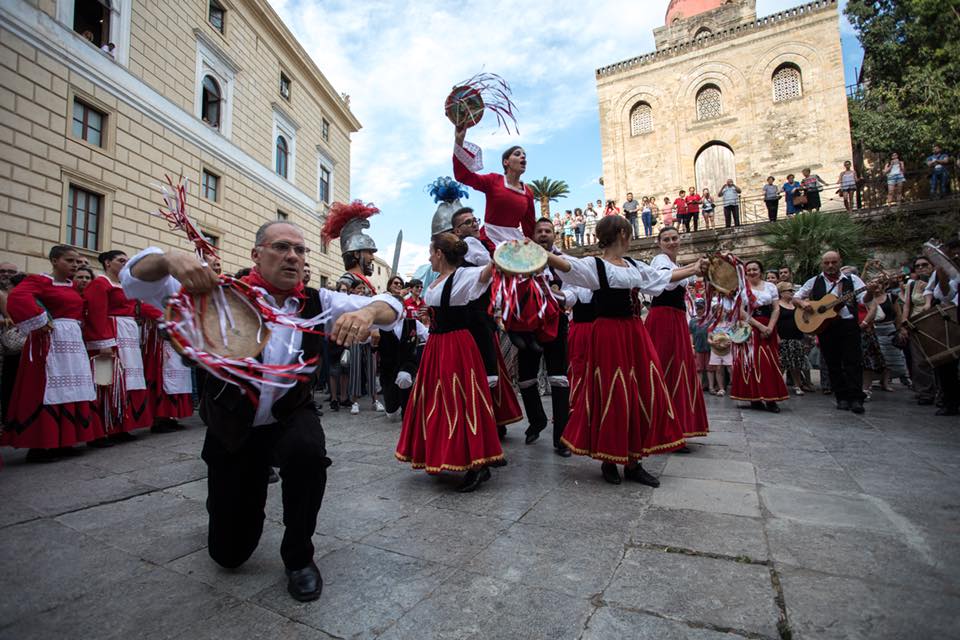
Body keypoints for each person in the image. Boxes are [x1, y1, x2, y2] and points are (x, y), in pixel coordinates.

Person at [123, 220, 401, 602]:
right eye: (281, 247)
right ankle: (228, 505)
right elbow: (134, 282)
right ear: (256, 254)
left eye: (300, 250)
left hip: (290, 413)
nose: (293, 257)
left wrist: (367, 313)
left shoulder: (319, 302)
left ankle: (299, 557)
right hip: (233, 423)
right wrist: (168, 259)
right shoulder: (219, 294)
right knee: (229, 554)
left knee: (308, 454)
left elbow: (394, 307)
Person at [545, 216, 706, 485]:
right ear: (622, 233)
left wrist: (694, 268)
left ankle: (634, 462)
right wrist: (540, 253)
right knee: (613, 391)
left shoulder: (632, 265)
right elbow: (567, 265)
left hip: (634, 334)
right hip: (608, 335)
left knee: (641, 390)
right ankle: (610, 459)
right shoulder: (595, 265)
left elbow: (663, 277)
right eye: (629, 233)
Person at [395, 233, 504, 491]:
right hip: (437, 345)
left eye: (430, 252)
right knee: (436, 400)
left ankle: (478, 465)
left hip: (456, 345)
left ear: (439, 254)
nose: (429, 258)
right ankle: (444, 454)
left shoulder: (462, 275)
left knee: (460, 400)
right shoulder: (437, 281)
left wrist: (502, 256)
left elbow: (485, 274)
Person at [1, 246, 103, 461]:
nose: (75, 265)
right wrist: (40, 320)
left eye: (78, 262)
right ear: (55, 260)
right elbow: (18, 296)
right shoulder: (40, 281)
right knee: (45, 388)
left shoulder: (73, 285)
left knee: (72, 388)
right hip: (49, 341)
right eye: (70, 260)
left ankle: (64, 440)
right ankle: (39, 445)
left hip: (72, 342)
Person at [445, 203, 524, 435]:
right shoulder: (471, 244)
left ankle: (488, 422)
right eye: (468, 222)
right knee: (487, 369)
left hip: (478, 317)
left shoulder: (469, 248)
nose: (474, 224)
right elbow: (489, 267)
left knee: (483, 369)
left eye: (475, 220)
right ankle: (488, 423)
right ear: (457, 231)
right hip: (476, 319)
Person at [516, 218, 575, 456]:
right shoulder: (521, 259)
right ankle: (537, 420)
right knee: (525, 378)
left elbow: (575, 292)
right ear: (533, 235)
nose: (543, 234)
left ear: (554, 235)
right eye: (539, 231)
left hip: (556, 322)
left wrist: (556, 295)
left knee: (558, 377)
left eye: (547, 231)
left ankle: (561, 437)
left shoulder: (565, 261)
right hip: (528, 324)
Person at [646, 226, 709, 443]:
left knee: (678, 366)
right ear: (659, 243)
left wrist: (699, 265)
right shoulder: (660, 260)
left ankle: (676, 426)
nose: (671, 242)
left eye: (674, 238)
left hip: (676, 319)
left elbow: (686, 273)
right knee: (667, 367)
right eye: (666, 239)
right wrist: (695, 269)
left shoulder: (676, 265)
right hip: (664, 318)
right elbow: (667, 281)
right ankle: (664, 428)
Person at [322, 201, 384, 416]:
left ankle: (373, 399)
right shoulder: (347, 279)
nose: (372, 257)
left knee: (371, 370)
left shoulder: (365, 282)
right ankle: (353, 400)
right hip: (355, 335)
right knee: (355, 369)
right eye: (369, 252)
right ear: (357, 254)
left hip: (369, 337)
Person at [84, 250, 152, 440]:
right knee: (107, 379)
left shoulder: (126, 284)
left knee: (127, 381)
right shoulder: (100, 283)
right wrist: (103, 342)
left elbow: (139, 308)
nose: (126, 263)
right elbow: (97, 313)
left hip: (128, 334)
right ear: (107, 263)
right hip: (111, 334)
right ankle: (104, 429)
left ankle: (122, 426)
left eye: (127, 261)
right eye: (121, 260)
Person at [795, 251, 874, 414]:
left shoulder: (852, 280)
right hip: (826, 327)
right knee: (833, 364)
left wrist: (871, 291)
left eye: (833, 262)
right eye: (827, 263)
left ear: (840, 262)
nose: (830, 265)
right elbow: (796, 297)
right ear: (822, 264)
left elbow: (864, 299)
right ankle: (841, 397)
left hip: (848, 325)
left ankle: (856, 398)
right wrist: (803, 304)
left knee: (853, 362)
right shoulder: (814, 281)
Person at [453, 125, 535, 246]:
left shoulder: (528, 192)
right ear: (506, 162)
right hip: (490, 239)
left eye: (524, 155)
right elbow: (464, 176)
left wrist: (536, 248)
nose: (523, 156)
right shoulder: (493, 180)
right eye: (517, 154)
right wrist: (459, 141)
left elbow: (529, 227)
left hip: (516, 243)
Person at [730, 260, 788, 412]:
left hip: (768, 326)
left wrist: (770, 327)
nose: (751, 272)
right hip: (750, 327)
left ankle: (771, 398)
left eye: (754, 269)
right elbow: (741, 311)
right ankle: (754, 398)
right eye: (748, 270)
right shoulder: (742, 288)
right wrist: (760, 326)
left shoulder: (770, 287)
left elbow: (776, 308)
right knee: (752, 361)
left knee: (769, 362)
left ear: (760, 271)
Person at [377, 275, 423, 421]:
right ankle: (394, 407)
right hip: (388, 368)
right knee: (391, 414)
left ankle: (407, 410)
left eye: (401, 307)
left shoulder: (413, 323)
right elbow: (366, 338)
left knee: (404, 377)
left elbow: (430, 335)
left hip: (407, 363)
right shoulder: (381, 325)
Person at [922, 239, 959, 415]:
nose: (956, 256)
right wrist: (942, 276)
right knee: (946, 362)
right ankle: (950, 401)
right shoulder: (948, 271)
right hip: (952, 318)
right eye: (953, 253)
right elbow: (945, 295)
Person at [899, 255, 936, 405]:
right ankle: (924, 392)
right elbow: (907, 305)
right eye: (918, 266)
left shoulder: (937, 281)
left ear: (932, 266)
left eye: (924, 265)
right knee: (919, 360)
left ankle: (942, 392)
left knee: (938, 359)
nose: (921, 268)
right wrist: (904, 324)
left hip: (935, 324)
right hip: (917, 325)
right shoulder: (912, 284)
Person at [776, 281, 807, 396]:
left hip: (796, 338)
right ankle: (777, 385)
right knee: (782, 364)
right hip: (783, 338)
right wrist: (777, 337)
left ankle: (797, 385)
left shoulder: (796, 305)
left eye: (792, 290)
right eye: (789, 290)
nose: (792, 292)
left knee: (797, 364)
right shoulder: (777, 305)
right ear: (781, 292)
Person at [690, 300, 711, 390]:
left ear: (704, 308)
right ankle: (699, 387)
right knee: (699, 368)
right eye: (698, 308)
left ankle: (710, 386)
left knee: (709, 368)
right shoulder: (692, 321)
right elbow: (690, 334)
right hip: (698, 347)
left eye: (701, 308)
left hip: (708, 347)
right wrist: (692, 346)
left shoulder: (709, 319)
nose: (699, 310)